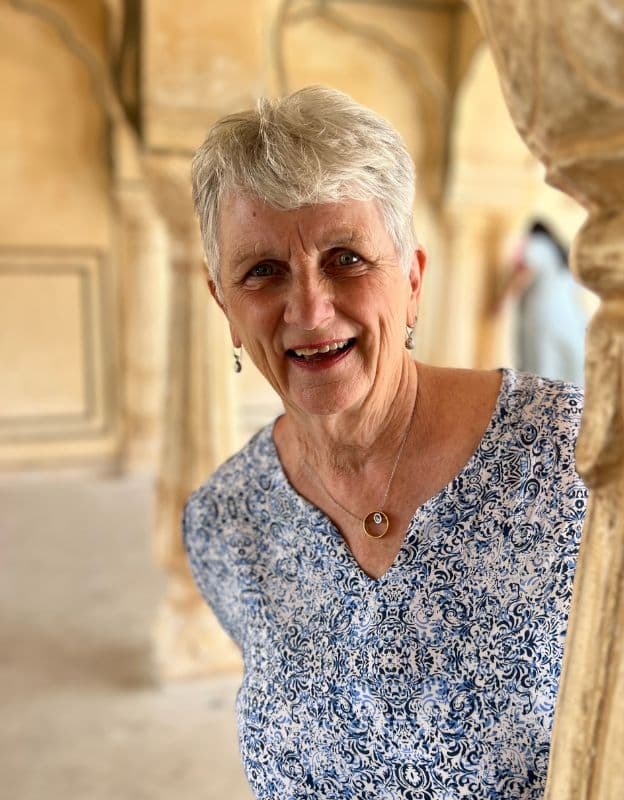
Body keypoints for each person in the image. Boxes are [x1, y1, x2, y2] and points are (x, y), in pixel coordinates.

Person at [183, 86, 587, 800]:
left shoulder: (573, 457)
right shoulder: (227, 521)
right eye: (263, 272)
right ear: (225, 305)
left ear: (412, 279)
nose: (310, 310)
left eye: (345, 258)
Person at [494, 221, 587, 385]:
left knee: (541, 369)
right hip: (572, 320)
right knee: (569, 373)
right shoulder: (565, 257)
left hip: (542, 317)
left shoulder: (538, 244)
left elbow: (525, 272)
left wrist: (504, 300)